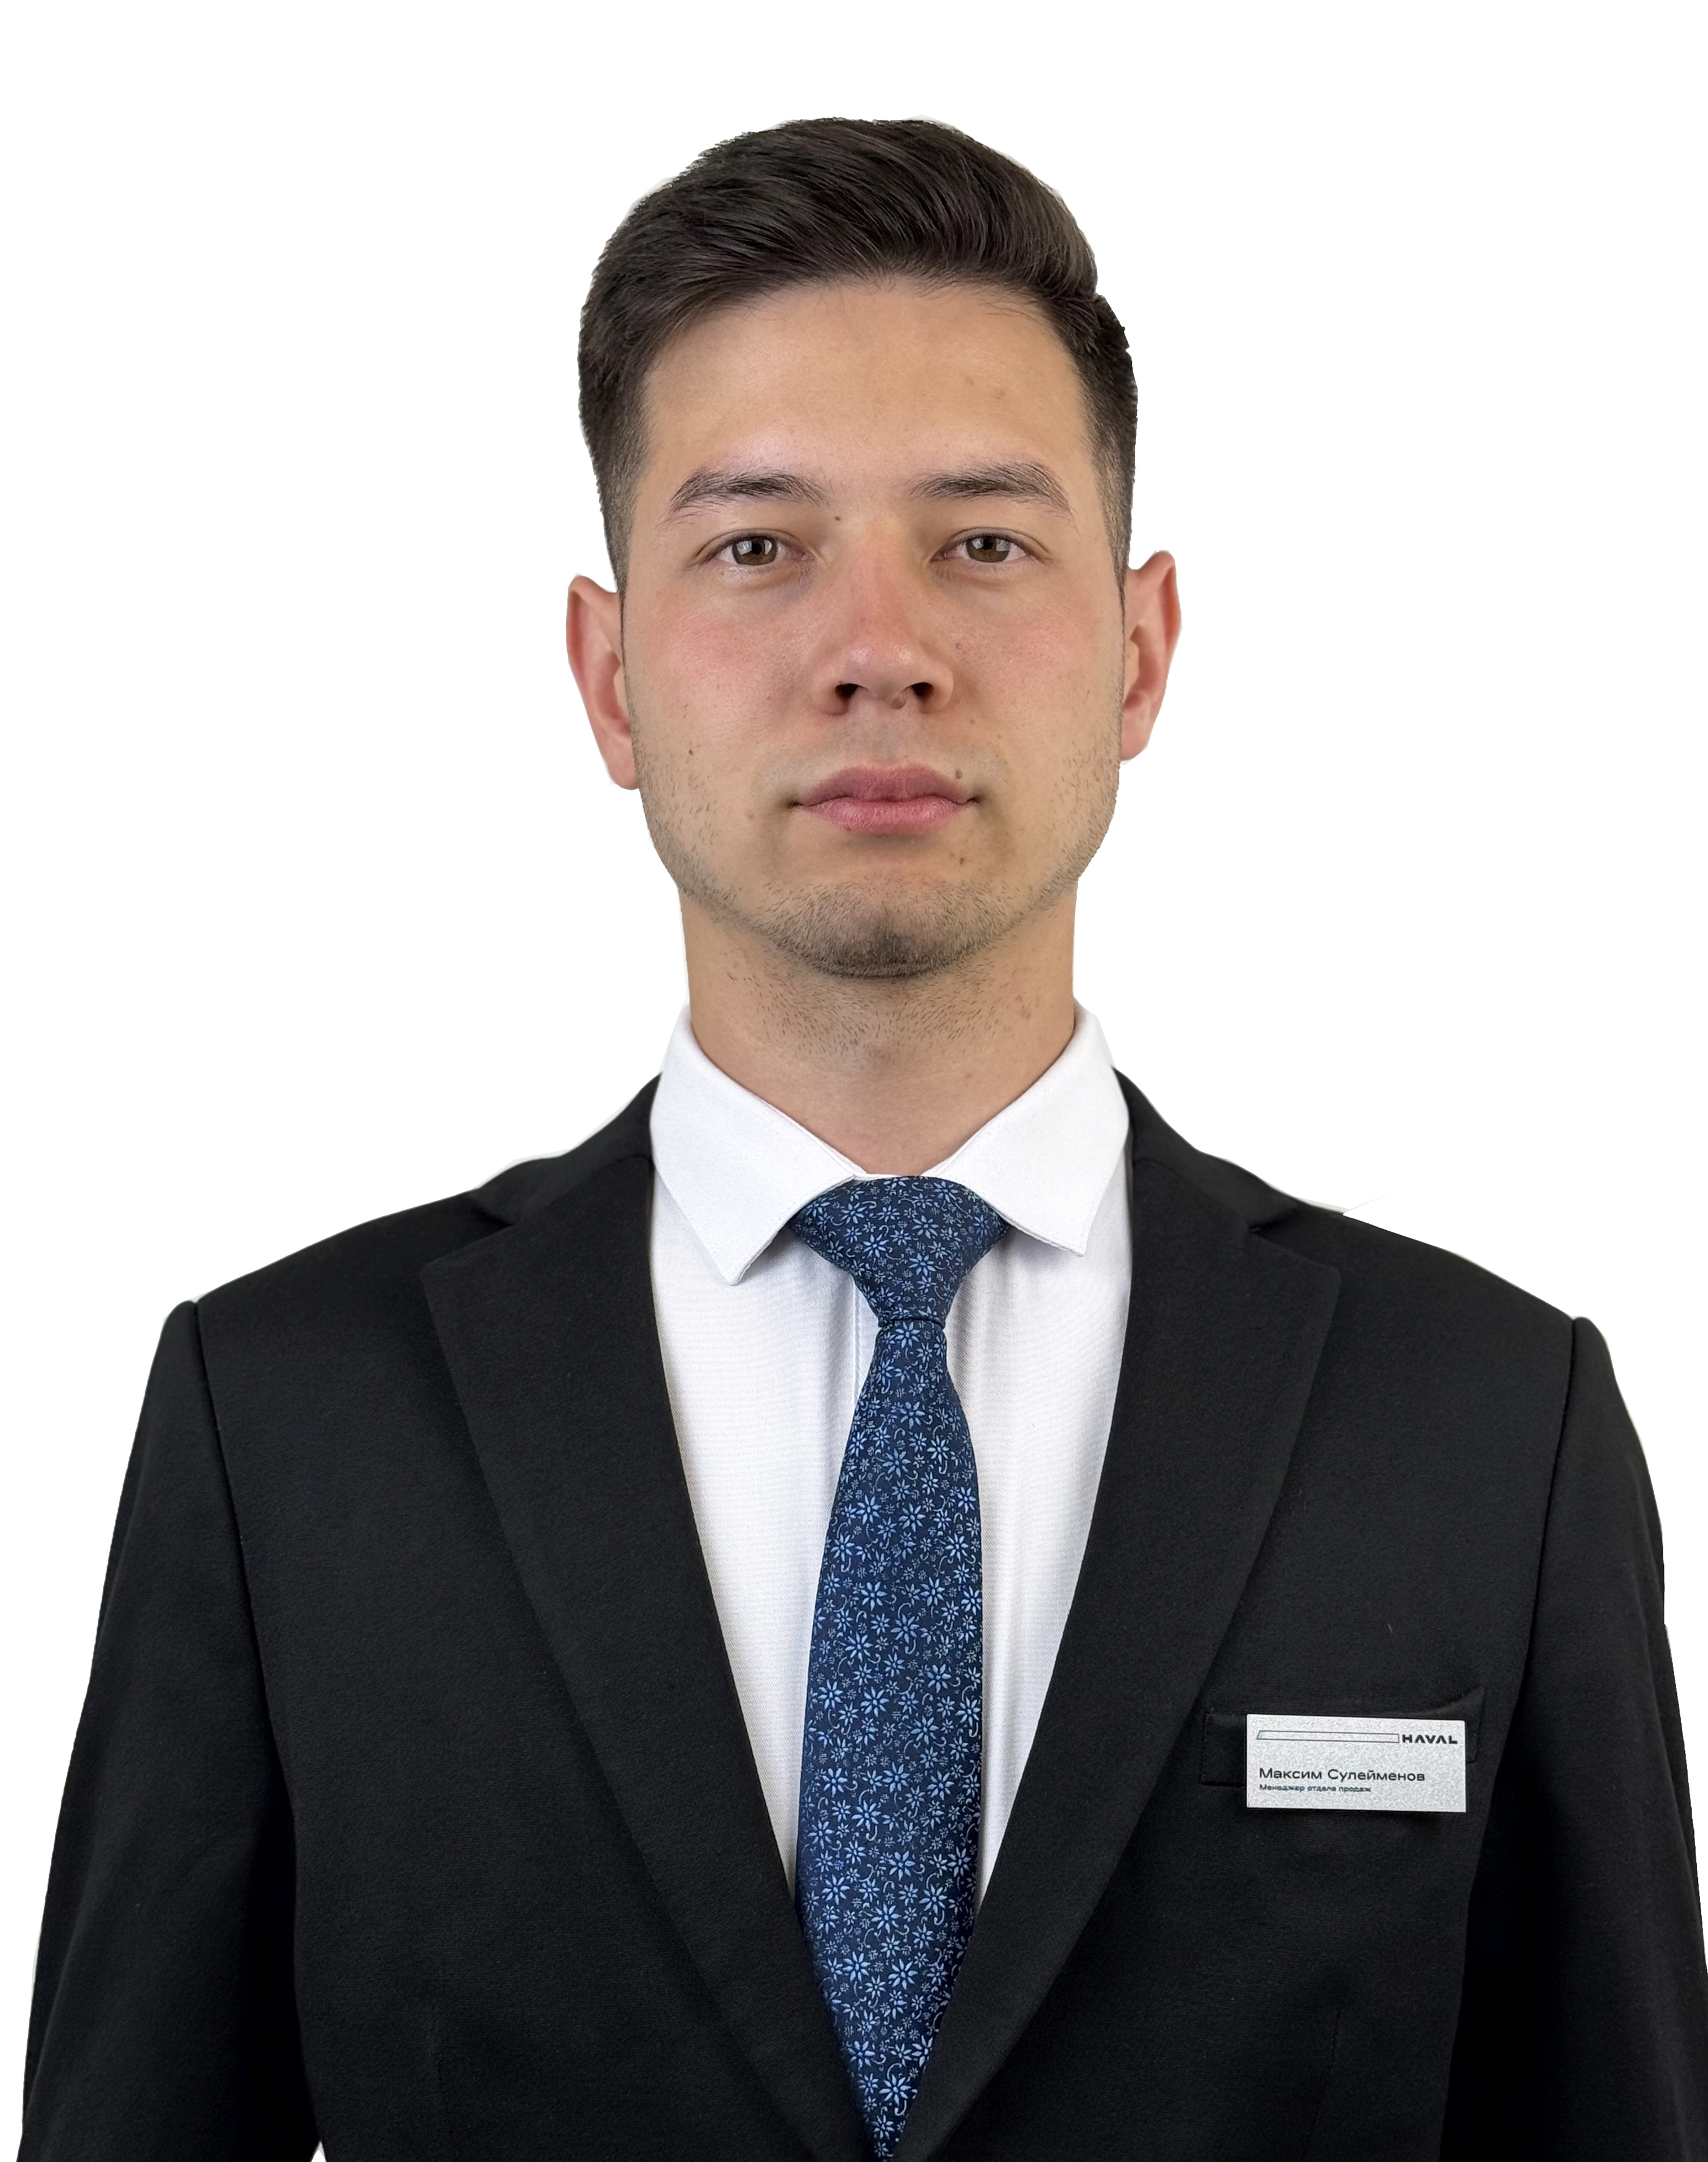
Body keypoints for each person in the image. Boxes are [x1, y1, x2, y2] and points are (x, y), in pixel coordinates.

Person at [18, 118, 1707, 2162]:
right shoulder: (288, 1421)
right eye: (757, 546)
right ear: (610, 676)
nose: (878, 646)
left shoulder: (1489, 1427)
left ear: (1143, 650)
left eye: (983, 542)